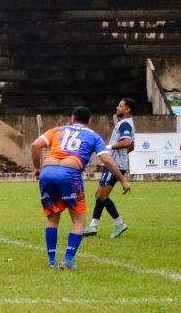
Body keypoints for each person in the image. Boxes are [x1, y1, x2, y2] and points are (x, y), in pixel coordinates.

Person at [31, 106, 130, 269]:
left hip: (47, 171)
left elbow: (35, 145)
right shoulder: (94, 136)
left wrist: (37, 169)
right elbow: (107, 160)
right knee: (78, 220)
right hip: (70, 173)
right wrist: (123, 180)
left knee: (53, 218)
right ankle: (68, 259)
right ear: (88, 121)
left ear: (72, 118)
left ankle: (51, 261)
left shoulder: (58, 130)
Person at [85, 98, 136, 238]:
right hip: (115, 163)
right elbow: (132, 146)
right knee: (99, 195)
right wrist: (120, 154)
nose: (117, 107)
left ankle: (118, 224)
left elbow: (127, 142)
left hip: (115, 165)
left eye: (120, 106)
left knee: (101, 195)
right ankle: (94, 225)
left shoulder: (125, 124)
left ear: (128, 109)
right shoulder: (127, 123)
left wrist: (109, 148)